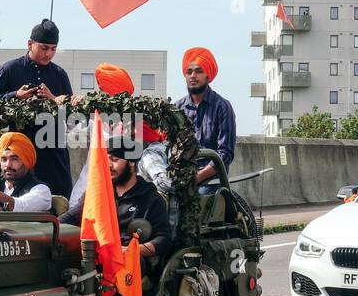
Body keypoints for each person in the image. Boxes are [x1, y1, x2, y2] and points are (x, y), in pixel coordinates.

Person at [0, 18, 73, 198]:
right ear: (30, 44)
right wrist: (15, 95)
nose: (49, 54)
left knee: (60, 202)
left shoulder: (60, 74)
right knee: (22, 203)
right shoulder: (10, 69)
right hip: (21, 153)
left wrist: (53, 99)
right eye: (44, 48)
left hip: (54, 153)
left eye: (53, 49)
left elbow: (72, 115)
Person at [68, 63, 171, 211]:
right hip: (88, 186)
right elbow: (71, 126)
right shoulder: (94, 118)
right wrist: (75, 105)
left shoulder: (134, 123)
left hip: (120, 196)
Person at [61, 135, 172, 264]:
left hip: (129, 264)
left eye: (114, 159)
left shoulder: (150, 198)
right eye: (106, 159)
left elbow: (164, 239)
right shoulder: (97, 193)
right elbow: (69, 217)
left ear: (131, 162)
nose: (108, 165)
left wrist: (131, 250)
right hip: (96, 256)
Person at [174, 47, 235, 192]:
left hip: (212, 179)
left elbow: (226, 154)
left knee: (199, 200)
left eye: (198, 71)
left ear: (208, 75)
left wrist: (197, 177)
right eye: (189, 72)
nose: (193, 76)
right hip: (183, 176)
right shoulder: (178, 107)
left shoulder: (223, 107)